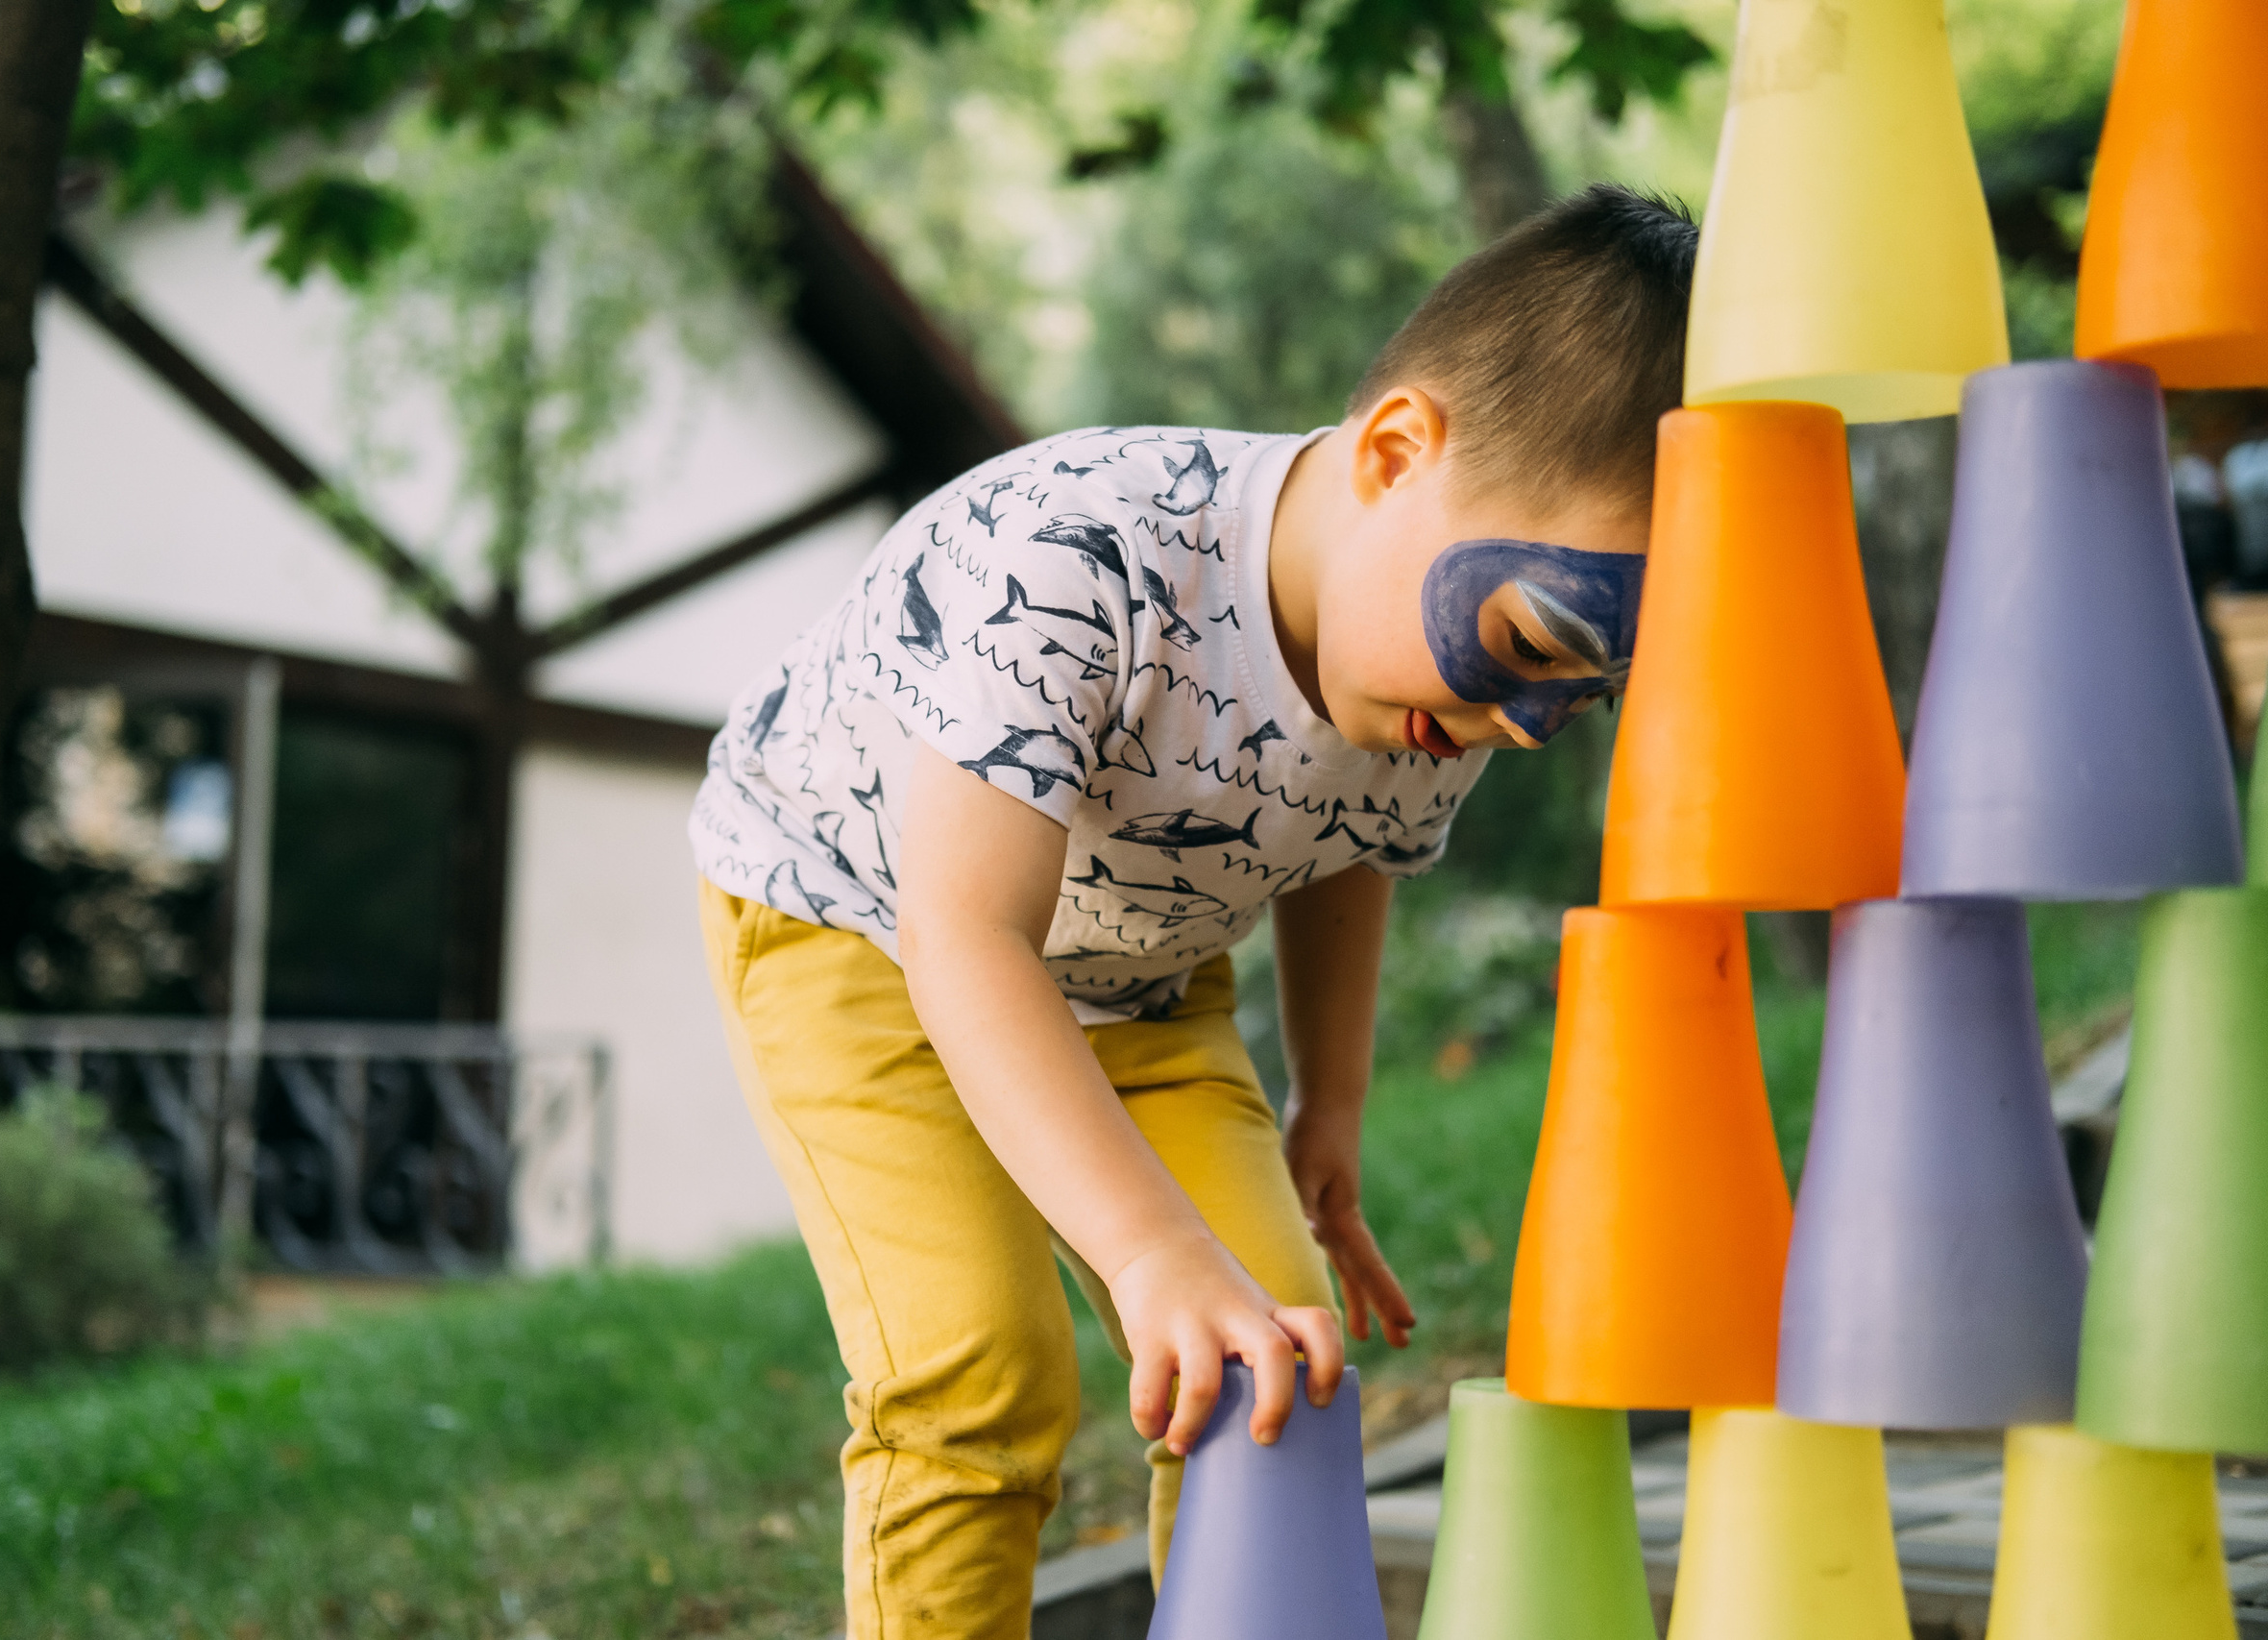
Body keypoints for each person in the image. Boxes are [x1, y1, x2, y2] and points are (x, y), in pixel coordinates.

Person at [689, 184, 1697, 1637]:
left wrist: (1328, 1107)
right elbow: (965, 939)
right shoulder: (1072, 560)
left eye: (1581, 693)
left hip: (1146, 976)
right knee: (979, 1370)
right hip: (861, 932)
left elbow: (1351, 849)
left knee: (1272, 1360)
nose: (1533, 721)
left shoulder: (1441, 688)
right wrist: (1152, 1251)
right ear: (1397, 452)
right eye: (1536, 643)